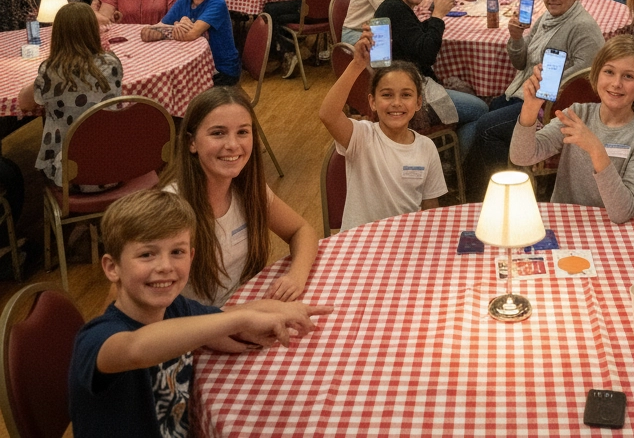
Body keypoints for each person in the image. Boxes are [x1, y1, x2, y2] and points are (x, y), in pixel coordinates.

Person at [69, 189, 327, 438]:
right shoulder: (97, 339)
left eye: (177, 252)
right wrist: (242, 319)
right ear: (112, 267)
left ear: (191, 256)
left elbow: (223, 317)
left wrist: (282, 310)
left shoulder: (175, 309)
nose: (165, 266)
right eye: (147, 254)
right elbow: (136, 348)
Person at [164, 88, 317, 305]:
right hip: (196, 330)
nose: (233, 145)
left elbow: (302, 230)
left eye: (243, 132)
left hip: (242, 310)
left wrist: (296, 276)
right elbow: (135, 304)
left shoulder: (248, 190)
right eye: (218, 133)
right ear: (192, 143)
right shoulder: (170, 210)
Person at [468, 0, 605, 188]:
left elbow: (586, 81)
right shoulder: (546, 19)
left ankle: (505, 189)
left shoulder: (582, 26)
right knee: (491, 108)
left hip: (550, 108)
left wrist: (539, 91)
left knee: (487, 128)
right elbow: (521, 63)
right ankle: (496, 177)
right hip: (527, 94)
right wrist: (516, 38)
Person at [510, 35, 634, 224]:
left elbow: (622, 213)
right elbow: (521, 156)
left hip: (617, 233)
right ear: (597, 73)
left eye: (628, 76)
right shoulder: (577, 114)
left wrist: (596, 149)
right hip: (567, 223)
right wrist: (530, 109)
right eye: (609, 72)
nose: (616, 83)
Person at [319, 29, 447, 231]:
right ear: (372, 102)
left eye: (406, 95)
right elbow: (328, 114)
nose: (396, 103)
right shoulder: (362, 136)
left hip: (405, 242)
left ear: (418, 102)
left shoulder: (427, 148)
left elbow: (430, 209)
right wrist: (357, 65)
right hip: (361, 243)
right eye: (387, 95)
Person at [373, 0, 488, 150]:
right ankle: (459, 168)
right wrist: (437, 16)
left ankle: (449, 155)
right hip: (409, 89)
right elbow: (427, 54)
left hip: (402, 81)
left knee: (469, 94)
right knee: (481, 110)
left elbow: (412, 38)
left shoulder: (395, 6)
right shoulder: (394, 10)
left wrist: (432, 19)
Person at [16, 3, 122, 186]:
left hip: (69, 174)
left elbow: (24, 103)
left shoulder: (52, 71)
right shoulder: (112, 63)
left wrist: (42, 76)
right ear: (93, 31)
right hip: (114, 167)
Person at [142, 0, 240, 86]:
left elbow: (192, 34)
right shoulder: (183, 1)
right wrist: (168, 28)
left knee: (174, 87)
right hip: (196, 66)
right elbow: (158, 27)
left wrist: (177, 28)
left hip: (221, 70)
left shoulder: (217, 3)